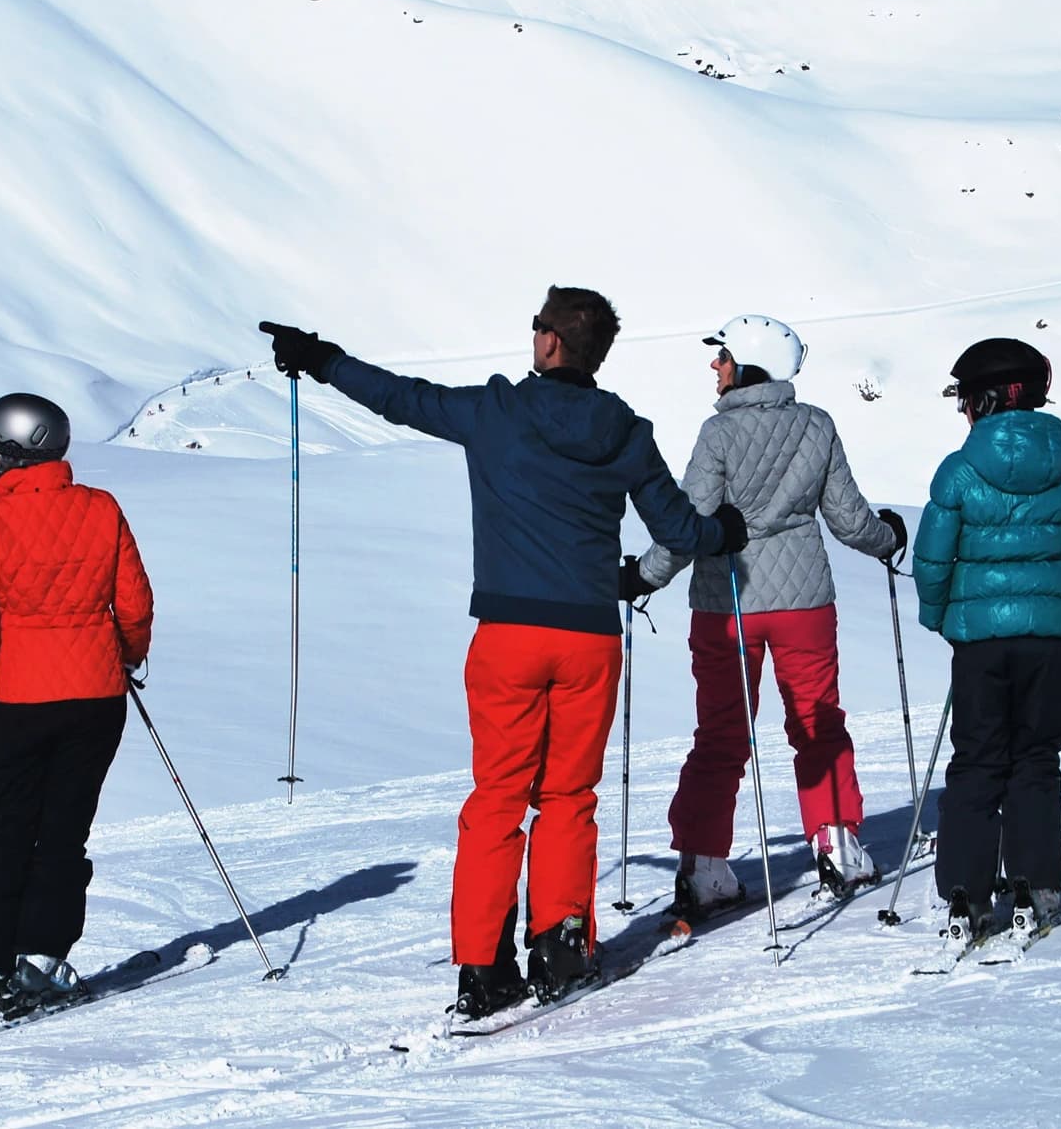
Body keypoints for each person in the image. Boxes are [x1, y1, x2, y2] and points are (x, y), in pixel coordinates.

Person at [259, 288, 747, 1017]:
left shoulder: (496, 413)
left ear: (553, 344)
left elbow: (400, 399)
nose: (532, 335)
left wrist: (322, 359)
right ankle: (560, 946)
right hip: (588, 636)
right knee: (568, 797)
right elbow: (677, 527)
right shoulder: (626, 431)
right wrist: (723, 534)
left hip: (508, 635)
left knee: (497, 800)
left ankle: (483, 967)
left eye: (538, 326)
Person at [623, 315, 904, 916]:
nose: (715, 366)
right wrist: (888, 540)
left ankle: (704, 866)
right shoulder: (817, 425)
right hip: (803, 601)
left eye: (722, 355)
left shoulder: (717, 436)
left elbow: (687, 526)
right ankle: (837, 844)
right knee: (818, 723)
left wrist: (642, 576)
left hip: (727, 604)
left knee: (722, 733)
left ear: (751, 361)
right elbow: (850, 519)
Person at [0, 392, 154, 1020]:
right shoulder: (101, 508)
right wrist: (126, 657)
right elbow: (135, 604)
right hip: (94, 698)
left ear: (16, 451)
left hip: (17, 700)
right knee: (63, 832)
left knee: (8, 830)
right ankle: (40, 961)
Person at [913, 338, 1061, 945]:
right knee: (1036, 759)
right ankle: (1034, 885)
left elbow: (932, 561)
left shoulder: (959, 471)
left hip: (980, 646)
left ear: (986, 401)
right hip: (1049, 643)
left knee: (976, 761)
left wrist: (947, 620)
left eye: (965, 400)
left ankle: (966, 894)